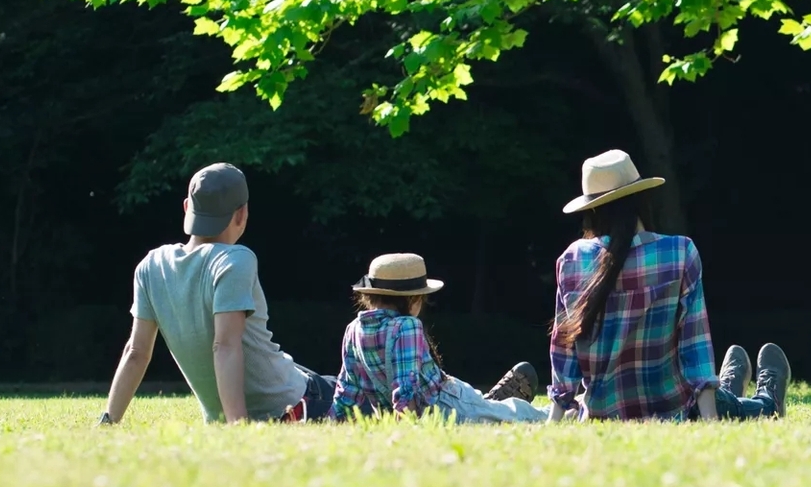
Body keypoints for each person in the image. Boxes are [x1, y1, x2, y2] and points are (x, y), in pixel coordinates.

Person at [547, 149, 791, 422]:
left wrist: (553, 421)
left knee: (717, 399)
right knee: (727, 405)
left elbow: (563, 351)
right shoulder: (679, 252)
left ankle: (727, 388)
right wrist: (711, 423)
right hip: (675, 412)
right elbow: (694, 344)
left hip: (601, 416)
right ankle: (768, 401)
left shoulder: (572, 260)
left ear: (591, 210)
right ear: (641, 198)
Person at [100, 163, 336, 424]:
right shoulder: (234, 260)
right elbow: (225, 345)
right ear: (242, 214)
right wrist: (238, 426)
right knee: (367, 396)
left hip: (296, 385)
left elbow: (136, 352)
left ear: (187, 208)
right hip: (296, 403)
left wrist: (108, 421)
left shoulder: (151, 266)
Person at [330, 253, 547, 424]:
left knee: (491, 410)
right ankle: (561, 411)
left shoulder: (354, 329)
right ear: (413, 299)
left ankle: (491, 404)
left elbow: (348, 388)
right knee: (515, 415)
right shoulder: (407, 326)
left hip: (439, 400)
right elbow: (405, 386)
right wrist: (406, 423)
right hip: (448, 404)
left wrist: (335, 421)